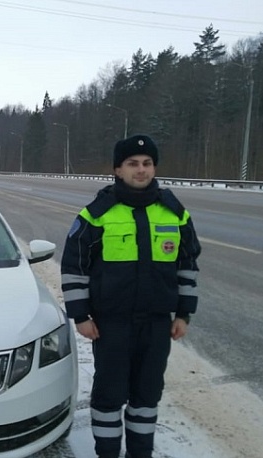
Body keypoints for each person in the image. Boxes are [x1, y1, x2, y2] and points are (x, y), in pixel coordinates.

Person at [60, 134, 201, 458]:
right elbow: (74, 267)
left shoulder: (174, 214)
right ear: (117, 170)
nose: (141, 170)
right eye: (133, 164)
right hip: (112, 324)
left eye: (147, 163)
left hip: (156, 324)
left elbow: (187, 265)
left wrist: (183, 314)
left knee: (146, 397)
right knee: (109, 398)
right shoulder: (96, 214)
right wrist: (81, 316)